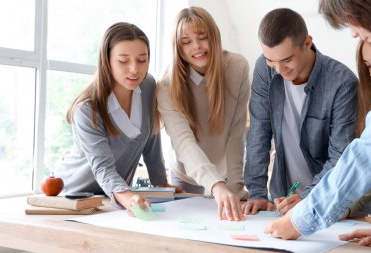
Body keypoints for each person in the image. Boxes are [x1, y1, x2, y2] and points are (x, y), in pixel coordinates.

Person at [264, 0, 371, 246]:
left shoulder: (341, 82)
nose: (354, 33)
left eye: (353, 23)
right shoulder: (266, 71)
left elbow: (359, 158)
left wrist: (299, 221)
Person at [55, 22, 180, 216]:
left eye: (142, 60)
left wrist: (160, 182)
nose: (134, 69)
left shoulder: (147, 86)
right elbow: (103, 167)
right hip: (77, 195)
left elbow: (152, 135)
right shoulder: (88, 108)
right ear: (107, 60)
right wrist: (128, 197)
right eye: (123, 61)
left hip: (114, 196)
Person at [243, 8, 358, 216]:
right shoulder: (264, 68)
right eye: (271, 60)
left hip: (328, 202)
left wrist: (308, 197)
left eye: (287, 60)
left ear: (307, 42)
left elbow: (341, 155)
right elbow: (258, 131)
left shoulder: (342, 83)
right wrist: (257, 192)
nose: (278, 70)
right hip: (281, 199)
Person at [156, 7, 250, 221]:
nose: (196, 47)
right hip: (186, 173)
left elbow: (236, 134)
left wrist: (235, 188)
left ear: (214, 37)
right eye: (186, 41)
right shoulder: (166, 86)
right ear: (178, 47)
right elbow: (184, 143)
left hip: (224, 169)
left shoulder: (237, 68)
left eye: (202, 37)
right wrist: (217, 185)